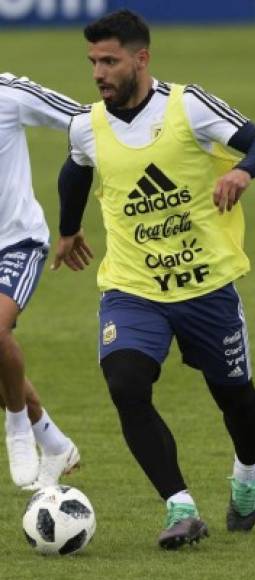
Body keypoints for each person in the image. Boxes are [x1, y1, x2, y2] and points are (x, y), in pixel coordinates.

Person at [53, 10, 255, 549]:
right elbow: (75, 168)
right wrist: (67, 230)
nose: (99, 73)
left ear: (141, 58)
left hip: (206, 289)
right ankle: (180, 506)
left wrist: (241, 170)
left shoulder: (188, 106)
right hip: (133, 290)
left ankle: (248, 473)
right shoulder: (88, 124)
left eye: (109, 61)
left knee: (236, 399)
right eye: (93, 62)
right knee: (126, 384)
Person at [0, 73, 89, 490]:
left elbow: (84, 120)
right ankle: (53, 442)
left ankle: (17, 426)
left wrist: (72, 220)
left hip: (17, 242)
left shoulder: (10, 93)